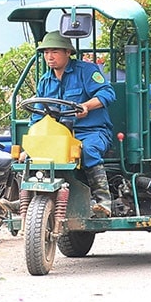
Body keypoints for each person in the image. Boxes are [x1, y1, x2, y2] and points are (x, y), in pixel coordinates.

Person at [32, 30, 116, 216]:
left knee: (87, 150)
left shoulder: (86, 71)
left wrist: (86, 106)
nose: (49, 57)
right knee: (29, 157)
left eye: (54, 51)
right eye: (46, 52)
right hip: (59, 136)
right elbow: (37, 116)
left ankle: (103, 200)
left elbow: (107, 94)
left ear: (68, 52)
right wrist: (30, 144)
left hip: (92, 131)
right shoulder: (45, 82)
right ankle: (30, 200)